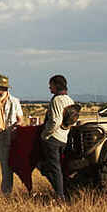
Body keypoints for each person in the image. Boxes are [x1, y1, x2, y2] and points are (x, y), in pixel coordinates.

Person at [41, 74, 75, 202]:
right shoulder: (69, 100)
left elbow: (55, 121)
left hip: (53, 139)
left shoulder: (56, 100)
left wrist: (45, 135)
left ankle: (60, 197)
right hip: (64, 138)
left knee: (53, 169)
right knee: (60, 168)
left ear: (56, 85)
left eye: (51, 85)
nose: (50, 88)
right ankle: (65, 194)